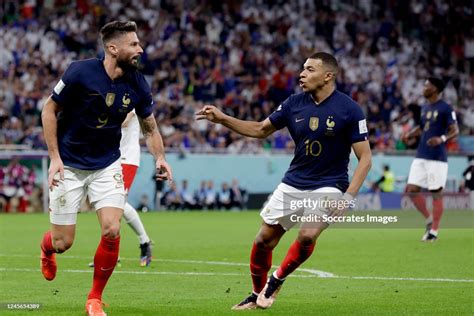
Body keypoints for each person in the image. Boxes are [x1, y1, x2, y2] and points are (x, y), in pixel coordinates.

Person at [196, 52, 372, 310]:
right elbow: (260, 129)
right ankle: (257, 295)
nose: (302, 74)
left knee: (308, 234)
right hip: (294, 182)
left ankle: (276, 280)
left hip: (330, 184)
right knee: (263, 240)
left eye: (310, 69)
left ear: (328, 76)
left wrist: (348, 197)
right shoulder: (293, 104)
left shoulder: (350, 109)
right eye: (303, 69)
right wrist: (223, 119)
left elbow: (365, 158)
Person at [39, 21, 173, 316]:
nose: (141, 49)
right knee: (63, 243)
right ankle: (47, 249)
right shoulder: (80, 71)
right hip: (70, 164)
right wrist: (55, 158)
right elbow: (49, 109)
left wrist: (160, 157)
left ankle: (94, 298)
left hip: (107, 164)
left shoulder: (138, 82)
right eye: (134, 44)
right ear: (113, 49)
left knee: (112, 229)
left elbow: (150, 128)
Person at [403, 77, 458, 242]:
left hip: (437, 157)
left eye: (427, 85)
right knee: (411, 190)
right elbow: (422, 127)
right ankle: (429, 220)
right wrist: (411, 133)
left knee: (436, 193)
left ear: (435, 89)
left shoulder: (446, 108)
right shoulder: (425, 107)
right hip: (421, 154)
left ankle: (434, 231)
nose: (424, 87)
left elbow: (454, 130)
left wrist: (441, 139)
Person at [119, 110, 153, 266]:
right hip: (112, 157)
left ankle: (144, 241)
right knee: (108, 204)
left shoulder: (130, 96)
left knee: (117, 203)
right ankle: (111, 253)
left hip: (127, 157)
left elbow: (123, 122)